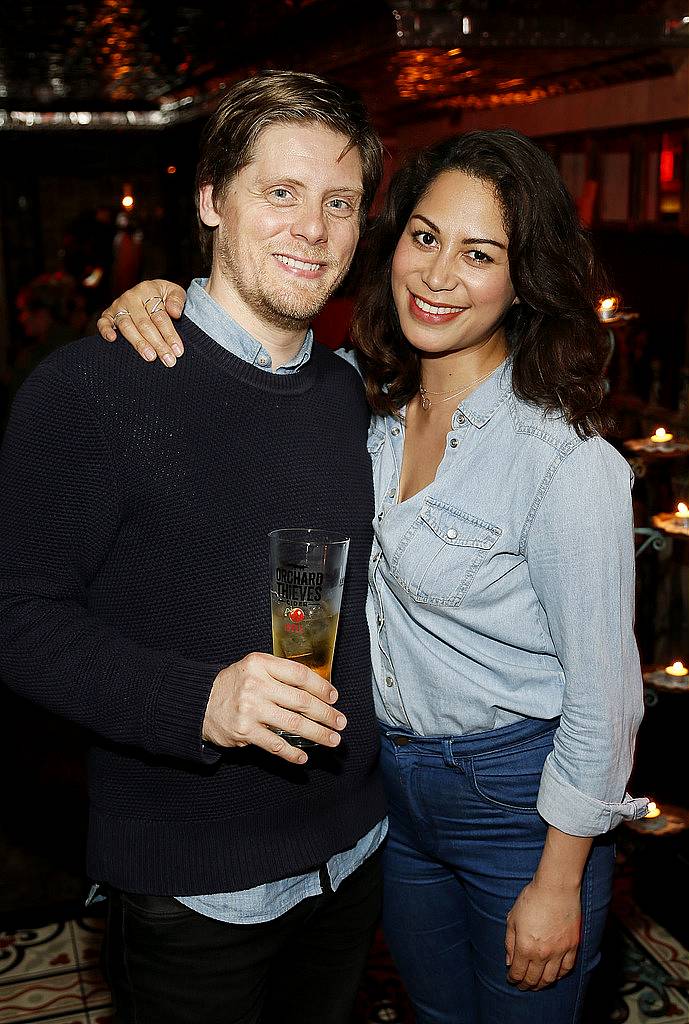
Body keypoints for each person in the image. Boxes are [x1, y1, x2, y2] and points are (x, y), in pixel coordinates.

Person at [101, 127, 648, 1024]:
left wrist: (560, 878)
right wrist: (163, 300)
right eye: (425, 238)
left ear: (523, 280)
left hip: (517, 802)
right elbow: (251, 363)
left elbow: (605, 699)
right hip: (386, 794)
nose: (437, 277)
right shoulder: (359, 402)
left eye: (479, 255)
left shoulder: (562, 463)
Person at [0, 71, 389, 1024]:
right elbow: (20, 622)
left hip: (355, 850)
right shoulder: (92, 388)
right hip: (197, 882)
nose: (312, 227)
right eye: (280, 192)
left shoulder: (346, 394)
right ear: (213, 199)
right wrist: (201, 701)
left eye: (338, 202)